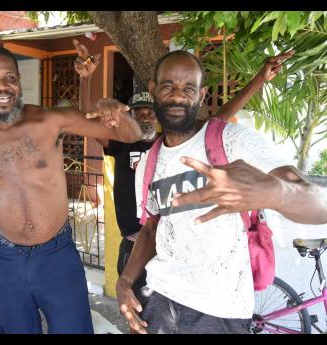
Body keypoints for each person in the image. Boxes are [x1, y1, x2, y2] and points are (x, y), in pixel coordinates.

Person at [0, 45, 142, 334]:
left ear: (18, 81)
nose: (1, 86)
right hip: (6, 262)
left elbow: (131, 135)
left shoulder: (50, 120)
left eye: (9, 78)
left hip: (57, 257)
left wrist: (117, 111)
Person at [115, 50, 327, 334]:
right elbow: (152, 228)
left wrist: (274, 193)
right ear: (153, 90)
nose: (178, 96)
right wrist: (125, 281)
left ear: (202, 95)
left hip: (219, 310)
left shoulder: (232, 142)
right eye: (168, 86)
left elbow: (318, 202)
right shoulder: (149, 163)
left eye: (188, 88)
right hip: (158, 300)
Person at [73, 39, 294, 301]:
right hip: (134, 245)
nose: (144, 115)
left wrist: (259, 79)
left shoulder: (172, 145)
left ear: (158, 112)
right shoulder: (119, 144)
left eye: (148, 111)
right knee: (134, 312)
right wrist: (86, 80)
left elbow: (219, 117)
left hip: (168, 249)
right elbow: (84, 123)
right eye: (138, 111)